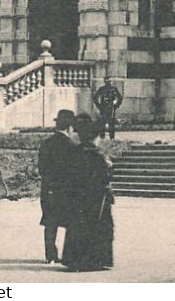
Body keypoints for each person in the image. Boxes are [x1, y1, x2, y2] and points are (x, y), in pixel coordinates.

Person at [61, 116, 114, 273]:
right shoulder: (97, 156)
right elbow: (104, 177)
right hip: (96, 197)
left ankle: (74, 259)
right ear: (94, 137)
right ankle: (95, 260)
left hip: (77, 197)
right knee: (97, 226)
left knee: (78, 225)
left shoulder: (74, 153)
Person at [38, 109, 80, 264]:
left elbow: (41, 168)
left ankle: (50, 254)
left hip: (48, 188)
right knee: (71, 221)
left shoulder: (47, 143)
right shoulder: (72, 146)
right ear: (69, 128)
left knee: (50, 222)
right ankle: (69, 255)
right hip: (66, 190)